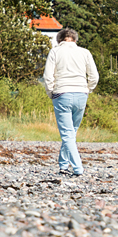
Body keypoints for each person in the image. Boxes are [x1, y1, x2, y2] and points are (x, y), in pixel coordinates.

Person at [43, 28, 99, 176]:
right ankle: (63, 164)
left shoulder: (55, 52)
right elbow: (94, 76)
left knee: (67, 134)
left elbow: (48, 76)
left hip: (62, 93)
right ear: (75, 39)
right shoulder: (85, 52)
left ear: (59, 40)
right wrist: (88, 89)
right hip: (81, 93)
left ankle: (78, 168)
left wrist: (51, 93)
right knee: (71, 132)